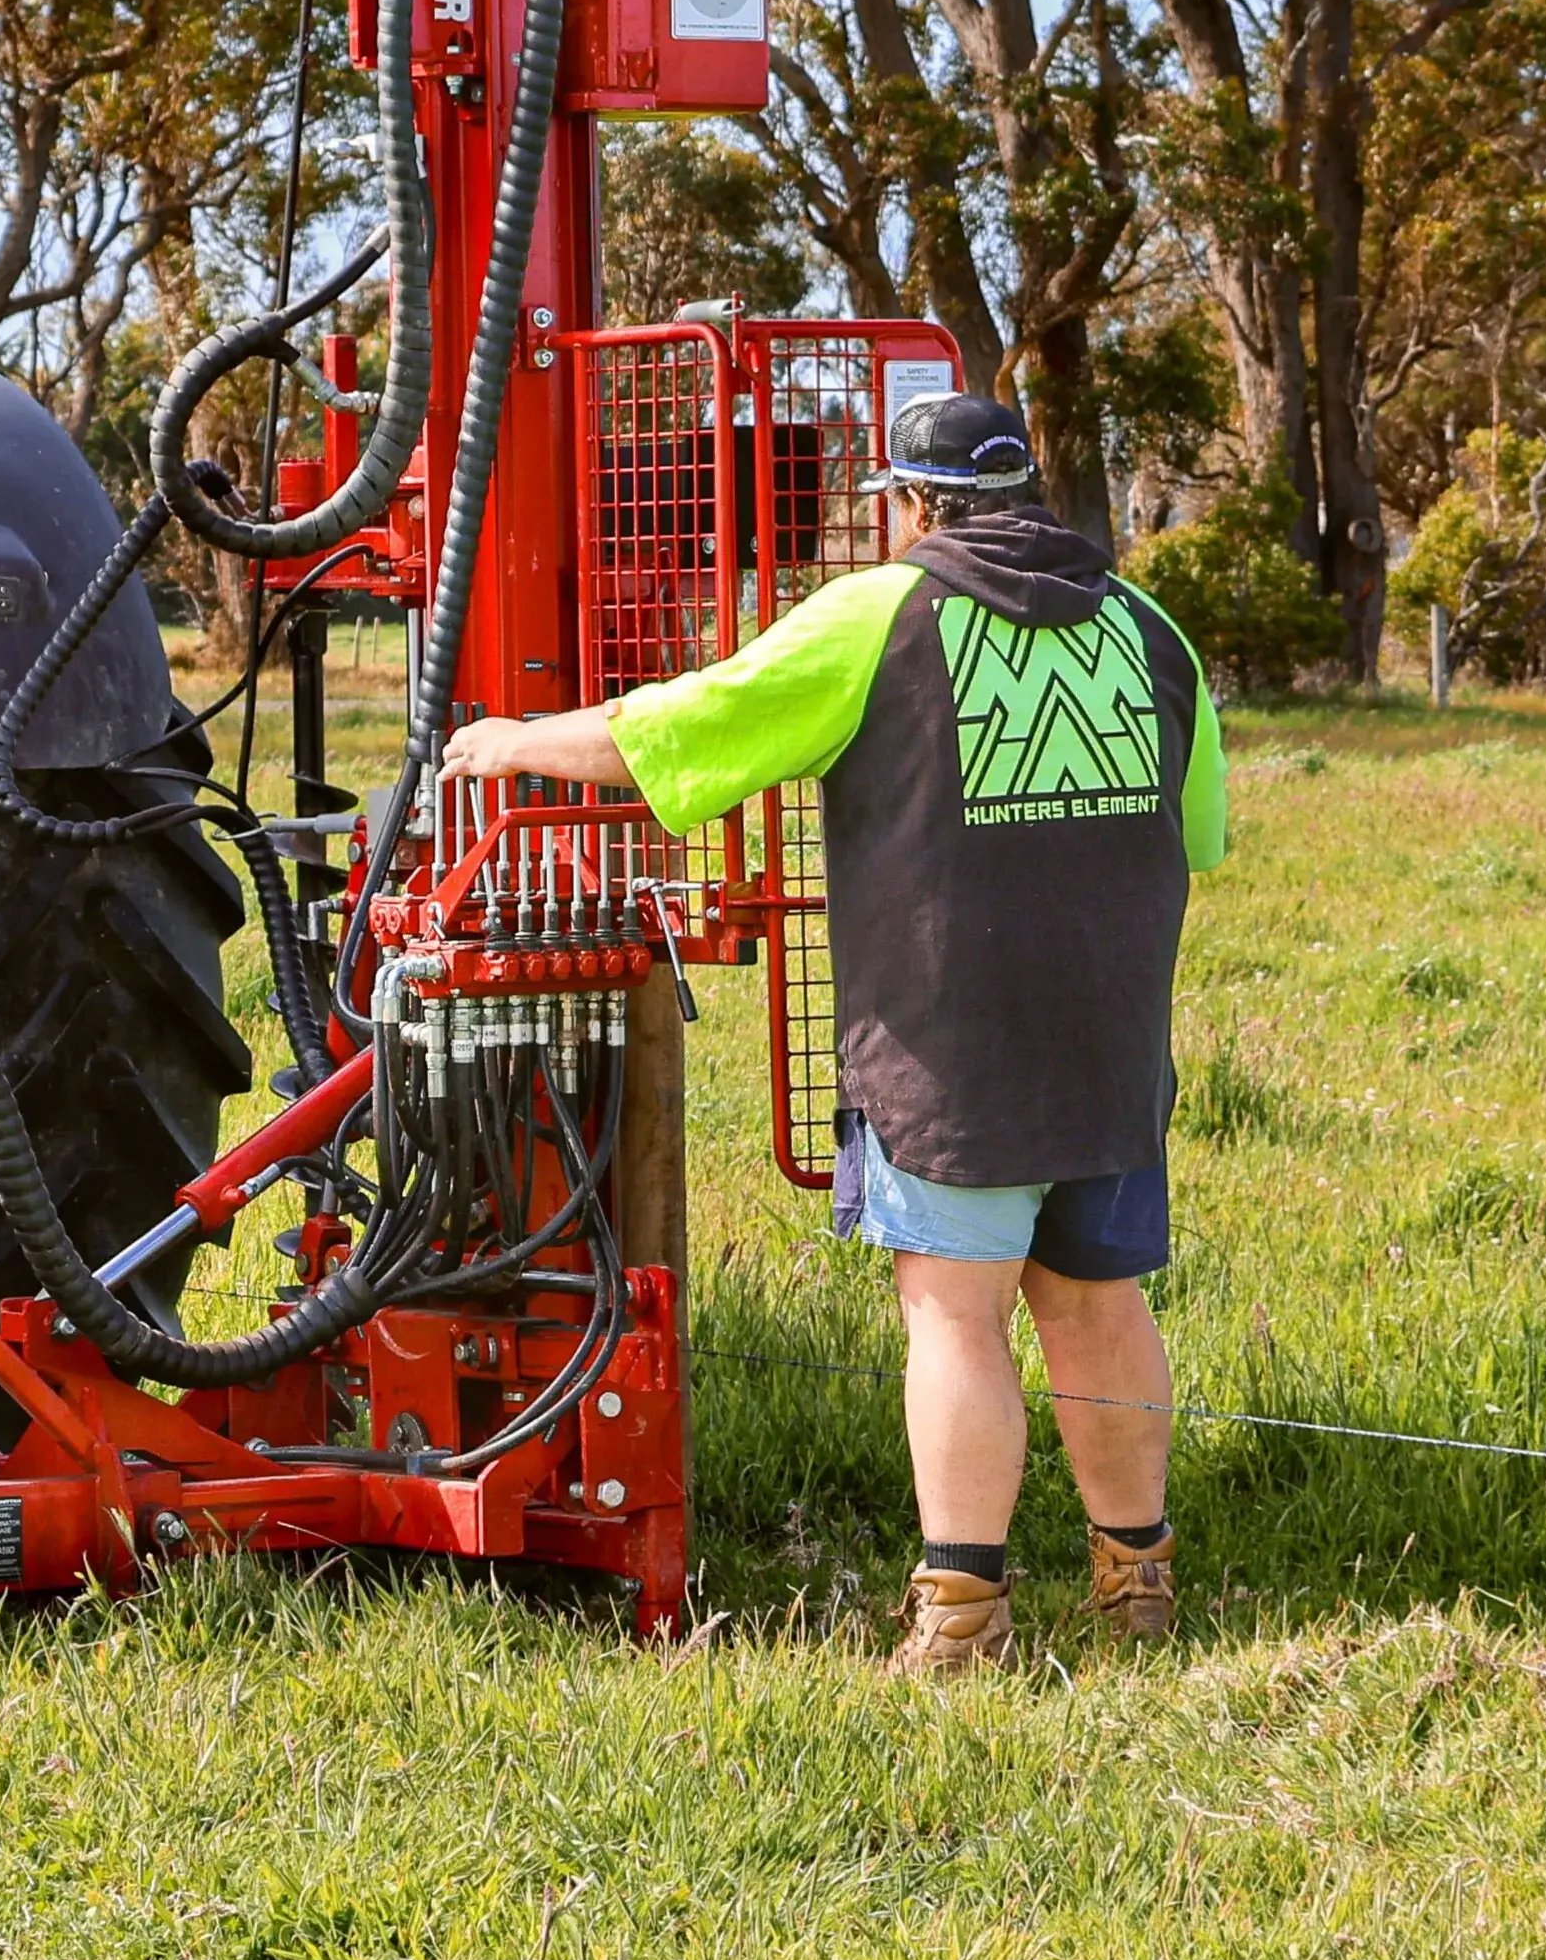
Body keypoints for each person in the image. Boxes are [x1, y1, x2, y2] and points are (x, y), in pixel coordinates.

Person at [437, 390, 1224, 1671]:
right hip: (1110, 1035)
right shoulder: (1149, 628)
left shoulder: (881, 612)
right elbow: (1196, 837)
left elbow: (677, 732)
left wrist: (515, 741)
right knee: (1095, 1303)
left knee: (955, 1316)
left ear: (906, 505)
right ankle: (1137, 1592)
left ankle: (962, 1620)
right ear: (1028, 493)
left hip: (947, 1044)